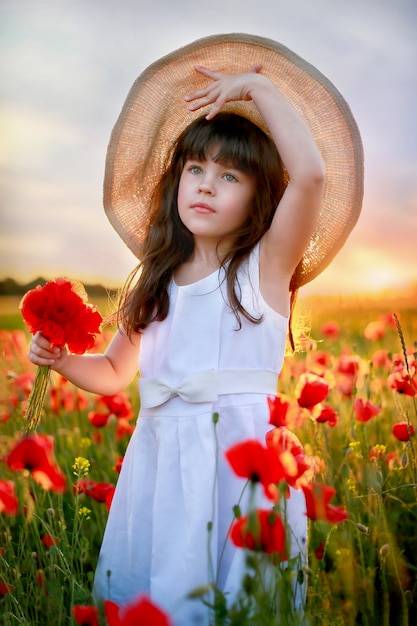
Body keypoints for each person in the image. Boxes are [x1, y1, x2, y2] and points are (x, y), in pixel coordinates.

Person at [28, 34, 363, 625]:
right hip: (160, 468)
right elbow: (111, 374)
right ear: (175, 181)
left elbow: (310, 173)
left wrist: (257, 88)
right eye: (195, 169)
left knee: (238, 602)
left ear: (262, 196)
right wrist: (60, 361)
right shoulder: (154, 283)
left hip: (241, 467)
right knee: (164, 593)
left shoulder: (264, 268)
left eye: (231, 176)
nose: (207, 184)